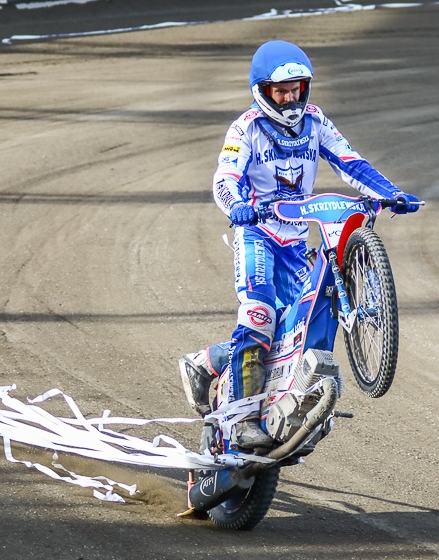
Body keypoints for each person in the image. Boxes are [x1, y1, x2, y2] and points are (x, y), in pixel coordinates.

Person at [179, 40, 420, 448]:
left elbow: (351, 162)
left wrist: (391, 192)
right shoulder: (245, 128)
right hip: (257, 234)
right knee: (258, 316)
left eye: (297, 89)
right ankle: (240, 421)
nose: (291, 98)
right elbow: (224, 178)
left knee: (295, 325)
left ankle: (208, 363)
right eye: (281, 91)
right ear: (262, 90)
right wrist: (236, 206)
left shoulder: (316, 120)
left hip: (295, 243)